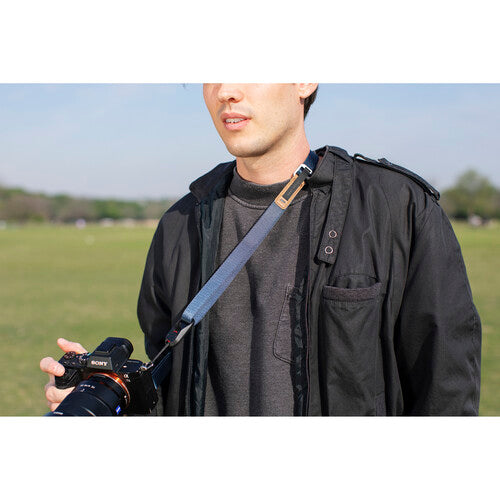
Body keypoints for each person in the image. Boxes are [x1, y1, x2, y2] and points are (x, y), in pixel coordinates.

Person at [40, 83, 481, 416]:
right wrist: (108, 398)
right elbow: (170, 391)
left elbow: (447, 394)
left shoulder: (398, 209)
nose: (225, 91)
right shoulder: (180, 224)